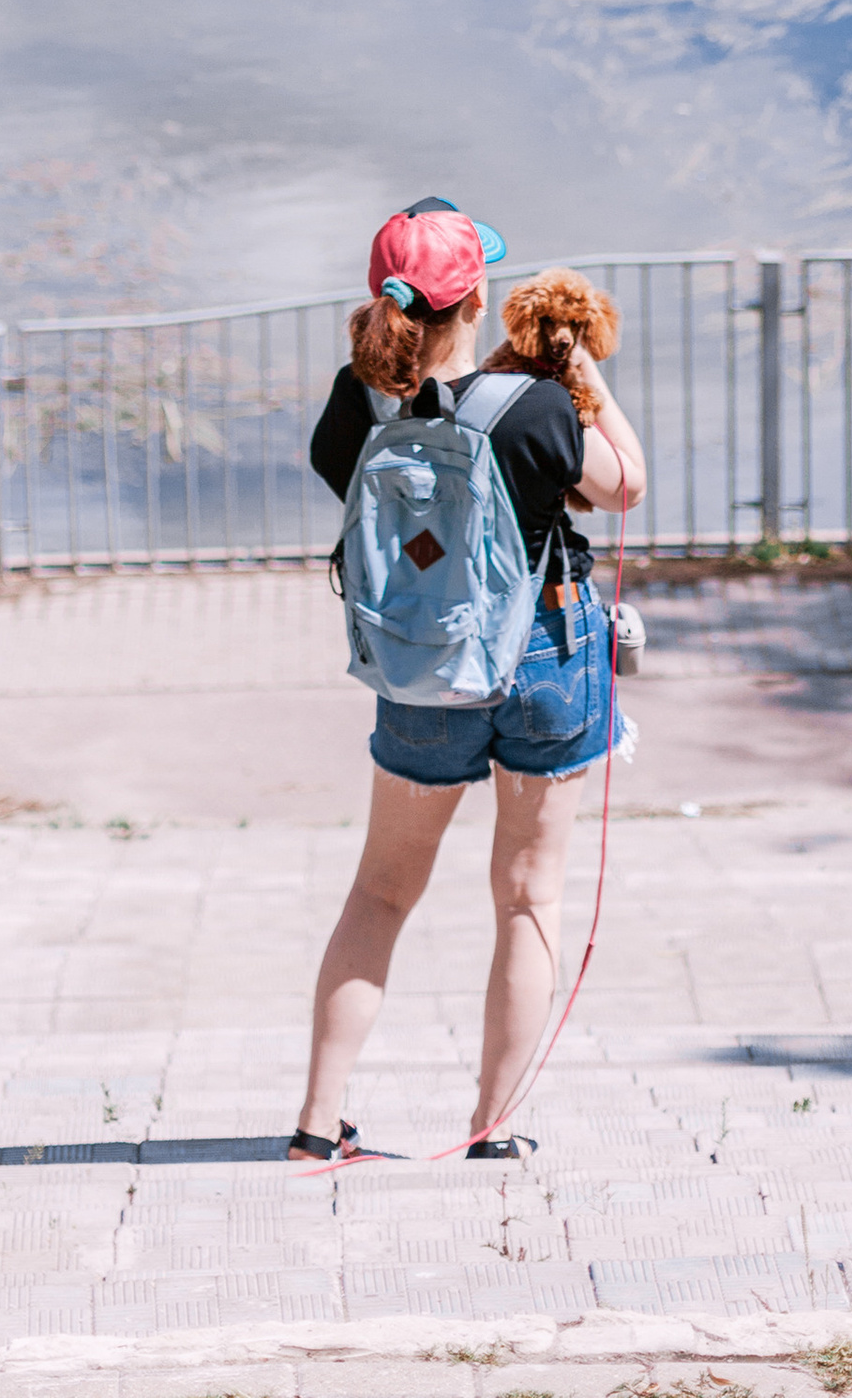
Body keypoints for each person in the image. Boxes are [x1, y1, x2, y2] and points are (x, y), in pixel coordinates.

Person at [288, 197, 647, 1165]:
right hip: (542, 661)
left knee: (378, 895)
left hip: (417, 671)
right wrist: (579, 374)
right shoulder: (527, 406)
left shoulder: (349, 405)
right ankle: (491, 1129)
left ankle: (316, 1129)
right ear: (478, 301)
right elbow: (624, 484)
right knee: (528, 900)